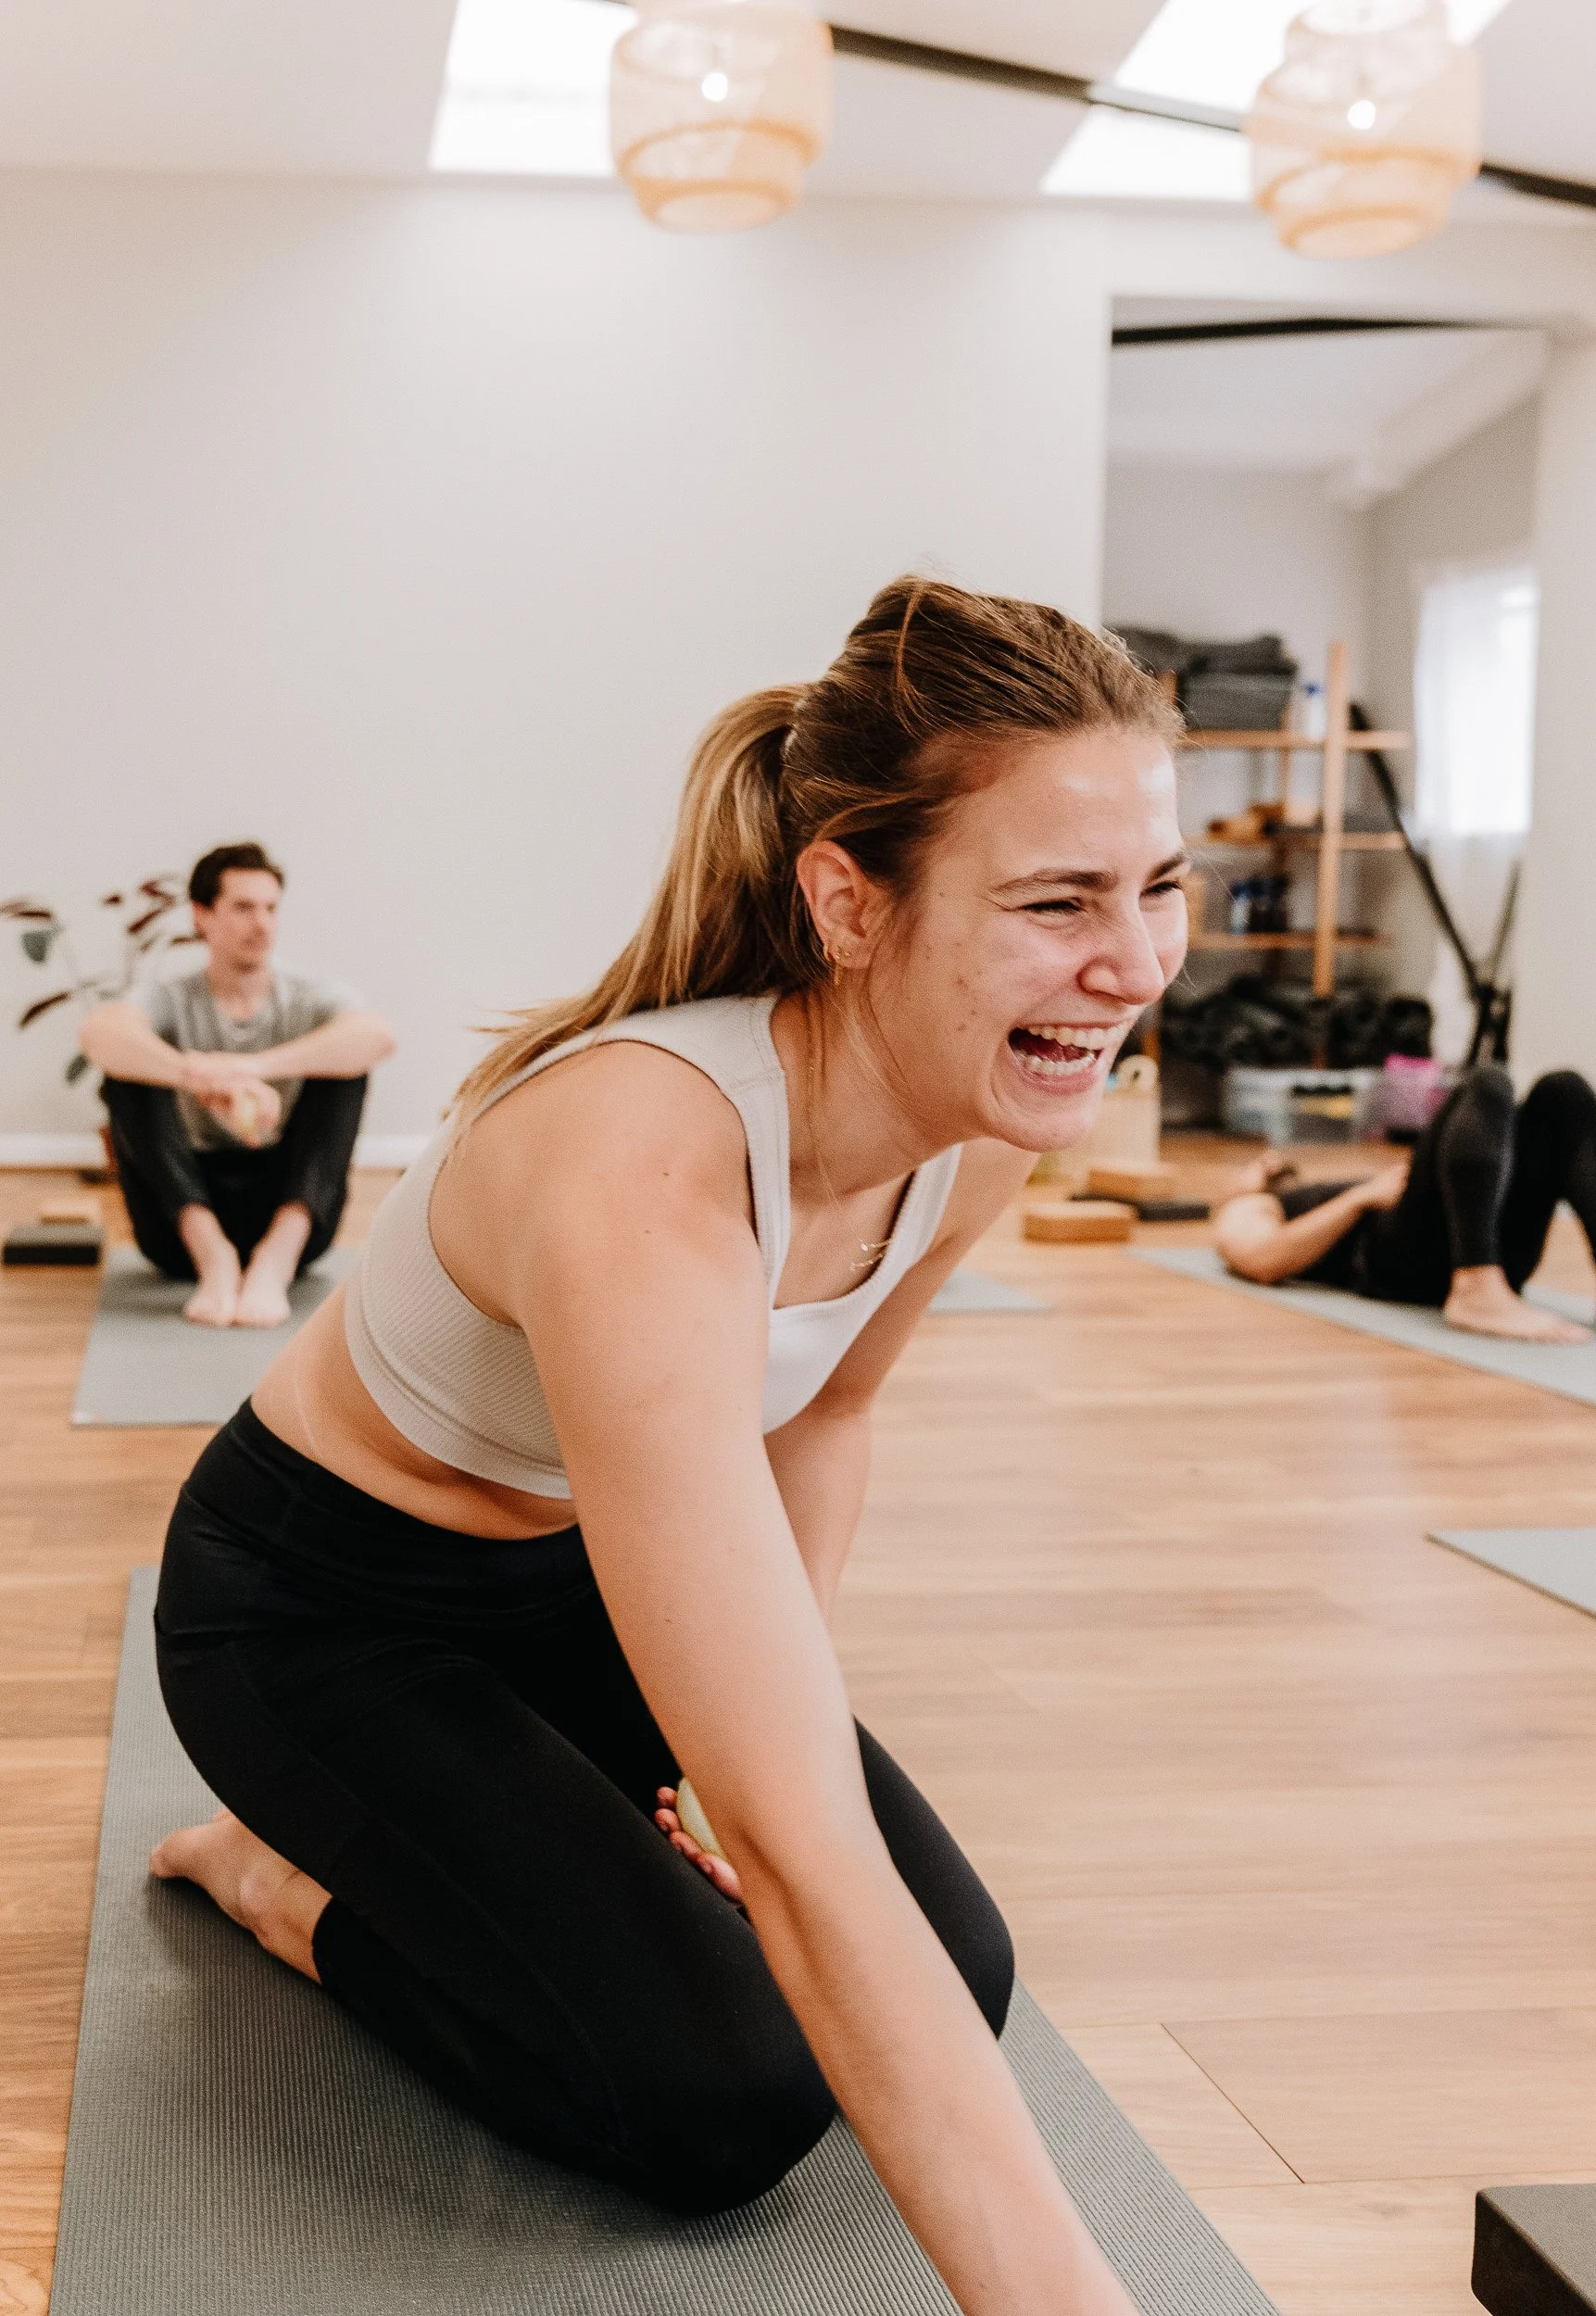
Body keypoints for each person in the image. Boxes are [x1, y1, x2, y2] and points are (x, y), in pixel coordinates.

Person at [145, 579, 1190, 2316]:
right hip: (320, 1616)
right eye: (1057, 901)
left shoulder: (980, 1116)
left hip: (576, 1579)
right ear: (851, 903)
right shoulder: (646, 1162)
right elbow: (801, 1860)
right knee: (725, 2098)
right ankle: (274, 1877)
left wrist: (745, 1733)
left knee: (959, 1972)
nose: (1136, 966)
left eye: (1156, 888)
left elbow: (830, 1401)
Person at [80, 843, 396, 1329]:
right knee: (125, 1078)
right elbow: (99, 1035)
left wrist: (254, 1068)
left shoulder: (306, 993)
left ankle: (273, 1262)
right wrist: (198, 1074)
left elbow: (378, 1036)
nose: (262, 924)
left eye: (271, 908)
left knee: (346, 1069)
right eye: (243, 907)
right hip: (181, 1227)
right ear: (201, 916)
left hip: (290, 1216)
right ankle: (217, 1262)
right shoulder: (171, 994)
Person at [1214, 1064, 1596, 1342]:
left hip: (1490, 1244)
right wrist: (1360, 1198)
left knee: (1565, 1091)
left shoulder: (1306, 1187)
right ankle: (1475, 1285)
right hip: (1404, 1266)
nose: (1268, 1160)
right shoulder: (1252, 1205)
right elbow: (1261, 1260)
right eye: (1257, 1164)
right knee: (1485, 1081)